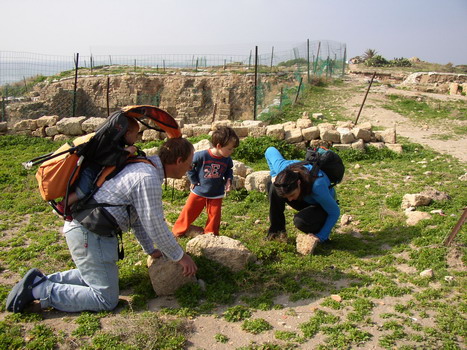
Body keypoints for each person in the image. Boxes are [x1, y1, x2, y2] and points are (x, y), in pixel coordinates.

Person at [6, 137, 198, 313]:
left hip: (89, 230)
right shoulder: (147, 177)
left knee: (99, 277)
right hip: (89, 232)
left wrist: (150, 250)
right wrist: (180, 257)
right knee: (105, 299)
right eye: (190, 163)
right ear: (179, 160)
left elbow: (138, 217)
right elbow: (154, 223)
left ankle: (39, 281)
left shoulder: (143, 166)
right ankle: (41, 290)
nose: (190, 168)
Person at [55, 117, 140, 219]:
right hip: (89, 170)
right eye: (136, 135)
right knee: (83, 192)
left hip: (93, 170)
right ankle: (63, 205)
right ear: (127, 133)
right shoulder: (113, 143)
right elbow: (110, 158)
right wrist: (126, 152)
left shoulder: (115, 141)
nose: (137, 138)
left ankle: (71, 209)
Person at [172, 126, 239, 237]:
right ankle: (178, 231)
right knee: (189, 211)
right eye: (230, 149)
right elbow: (190, 167)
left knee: (215, 215)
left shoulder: (227, 159)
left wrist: (228, 181)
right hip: (199, 190)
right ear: (219, 146)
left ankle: (211, 234)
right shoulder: (201, 155)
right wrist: (193, 180)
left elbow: (228, 170)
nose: (231, 152)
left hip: (216, 192)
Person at [265, 146, 340, 243]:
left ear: (298, 183)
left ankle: (319, 230)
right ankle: (277, 231)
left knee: (301, 221)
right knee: (273, 186)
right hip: (304, 197)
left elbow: (334, 212)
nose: (290, 200)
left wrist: (321, 237)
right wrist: (274, 174)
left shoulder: (318, 186)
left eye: (291, 195)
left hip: (321, 205)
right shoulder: (282, 169)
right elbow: (270, 150)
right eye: (287, 197)